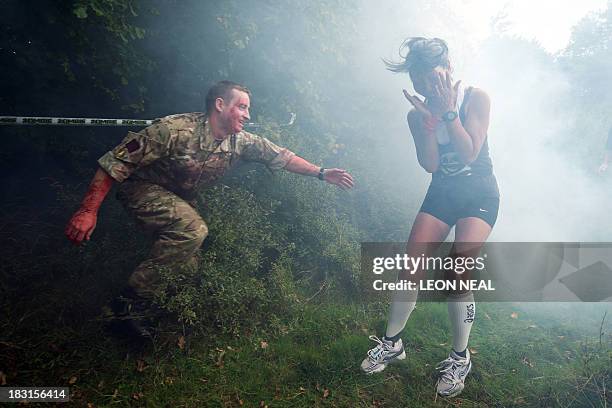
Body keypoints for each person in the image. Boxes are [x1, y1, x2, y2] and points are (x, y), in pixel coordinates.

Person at [65, 80, 354, 337]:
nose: (248, 115)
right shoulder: (174, 130)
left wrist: (321, 172)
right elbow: (114, 163)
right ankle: (124, 307)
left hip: (178, 198)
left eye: (248, 109)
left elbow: (281, 156)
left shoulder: (240, 142)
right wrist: (87, 211)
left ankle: (150, 313)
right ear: (220, 105)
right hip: (140, 188)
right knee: (193, 230)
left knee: (188, 265)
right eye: (242, 107)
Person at [360, 38, 499, 398]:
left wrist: (450, 113)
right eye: (417, 77)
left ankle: (459, 357)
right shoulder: (414, 112)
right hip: (441, 194)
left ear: (448, 68)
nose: (424, 84)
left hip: (479, 194)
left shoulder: (475, 97)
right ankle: (392, 344)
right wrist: (426, 124)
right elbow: (431, 165)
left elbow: (469, 153)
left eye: (430, 74)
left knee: (457, 269)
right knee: (411, 264)